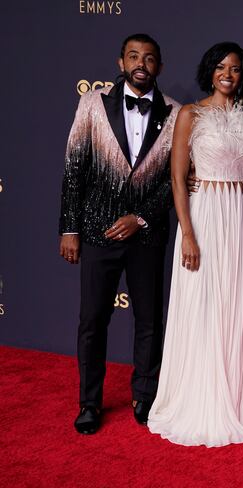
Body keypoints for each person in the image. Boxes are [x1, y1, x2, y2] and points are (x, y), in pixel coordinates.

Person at [147, 42, 243, 447]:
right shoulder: (190, 114)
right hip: (203, 216)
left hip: (239, 218)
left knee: (234, 302)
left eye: (235, 68)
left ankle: (237, 398)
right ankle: (199, 397)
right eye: (220, 67)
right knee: (204, 302)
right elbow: (178, 178)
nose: (227, 74)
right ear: (209, 71)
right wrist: (188, 234)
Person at [60, 33, 180, 435]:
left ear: (159, 66)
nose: (141, 63)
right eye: (133, 56)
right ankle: (89, 402)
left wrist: (141, 217)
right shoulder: (92, 104)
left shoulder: (177, 113)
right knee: (92, 321)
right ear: (120, 62)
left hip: (147, 235)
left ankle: (144, 396)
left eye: (149, 58)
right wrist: (70, 228)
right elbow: (75, 168)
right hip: (95, 231)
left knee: (149, 320)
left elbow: (173, 181)